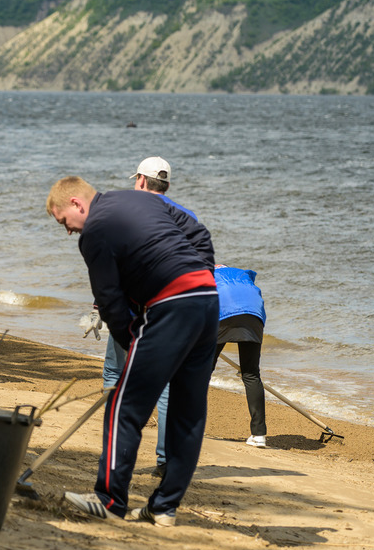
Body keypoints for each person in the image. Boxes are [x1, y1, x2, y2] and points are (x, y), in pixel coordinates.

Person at [47, 176, 218, 527]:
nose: (68, 231)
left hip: (171, 305)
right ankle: (164, 508)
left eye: (64, 221)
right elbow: (200, 235)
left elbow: (109, 301)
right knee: (188, 411)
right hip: (207, 300)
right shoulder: (144, 200)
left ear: (77, 204)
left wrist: (131, 339)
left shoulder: (94, 230)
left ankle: (110, 500)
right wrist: (201, 275)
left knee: (124, 404)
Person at [99, 156, 198, 477]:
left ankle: (114, 450)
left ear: (141, 181)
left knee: (115, 374)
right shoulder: (187, 216)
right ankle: (166, 460)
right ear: (166, 184)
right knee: (168, 387)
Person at [213, 264, 268, 447]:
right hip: (254, 315)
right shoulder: (242, 274)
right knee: (251, 374)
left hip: (223, 313)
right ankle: (259, 435)